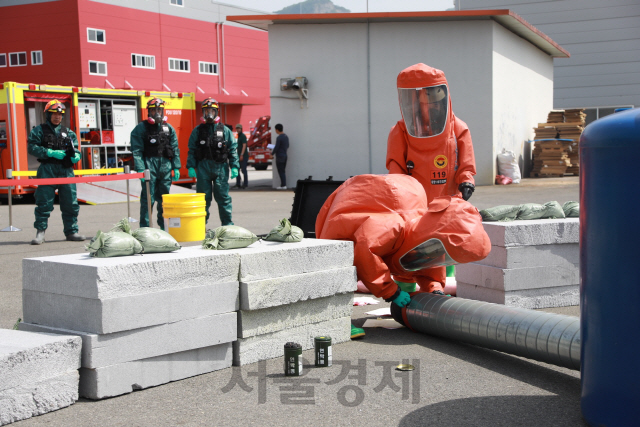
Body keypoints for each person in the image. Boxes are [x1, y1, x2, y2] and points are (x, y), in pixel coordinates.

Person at [316, 174, 490, 336]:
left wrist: (433, 288)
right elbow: (366, 253)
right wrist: (391, 292)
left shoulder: (425, 238)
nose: (437, 256)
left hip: (379, 237)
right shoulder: (392, 226)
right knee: (341, 273)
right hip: (343, 230)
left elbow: (430, 262)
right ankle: (335, 320)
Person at [386, 63, 478, 294]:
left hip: (445, 200)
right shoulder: (400, 131)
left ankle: (435, 285)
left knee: (441, 243)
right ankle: (403, 289)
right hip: (413, 204)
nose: (429, 106)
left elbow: (466, 160)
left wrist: (466, 180)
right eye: (421, 98)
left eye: (433, 98)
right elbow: (395, 167)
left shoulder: (458, 128)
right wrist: (400, 194)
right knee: (407, 242)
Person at [27, 100, 85, 245]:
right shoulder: (39, 131)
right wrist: (49, 152)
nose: (57, 117)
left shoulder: (68, 132)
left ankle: (71, 231)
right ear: (48, 114)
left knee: (70, 203)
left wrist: (77, 155)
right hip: (47, 169)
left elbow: (76, 148)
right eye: (54, 114)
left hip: (66, 170)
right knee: (44, 202)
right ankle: (40, 232)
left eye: (60, 114)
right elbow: (31, 147)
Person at [186, 98, 239, 226]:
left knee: (223, 198)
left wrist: (235, 166)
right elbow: (192, 149)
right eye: (206, 111)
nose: (209, 113)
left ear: (216, 112)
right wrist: (191, 166)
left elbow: (232, 149)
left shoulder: (225, 130)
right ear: (203, 113)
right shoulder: (198, 131)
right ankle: (201, 225)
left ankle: (227, 225)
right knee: (203, 198)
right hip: (203, 167)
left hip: (220, 167)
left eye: (212, 111)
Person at [130, 98, 181, 229]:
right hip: (149, 166)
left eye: (159, 110)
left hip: (165, 166)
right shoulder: (141, 129)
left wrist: (176, 167)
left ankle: (164, 227)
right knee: (148, 198)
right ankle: (145, 228)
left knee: (164, 199)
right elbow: (137, 151)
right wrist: (141, 170)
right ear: (149, 112)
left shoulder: (169, 129)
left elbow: (175, 148)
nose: (157, 113)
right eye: (153, 110)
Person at [272, 123, 289, 190]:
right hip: (285, 155)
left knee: (280, 171)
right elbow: (287, 146)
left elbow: (276, 147)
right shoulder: (286, 137)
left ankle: (283, 185)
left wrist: (272, 154)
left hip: (279, 156)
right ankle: (283, 185)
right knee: (283, 171)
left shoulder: (279, 138)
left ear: (277, 130)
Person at [234, 123, 249, 189]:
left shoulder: (243, 136)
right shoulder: (239, 136)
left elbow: (244, 145)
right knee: (237, 170)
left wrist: (242, 155)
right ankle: (238, 183)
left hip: (243, 156)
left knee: (244, 170)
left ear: (241, 129)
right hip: (238, 155)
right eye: (237, 128)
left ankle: (245, 184)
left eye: (239, 128)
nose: (238, 129)